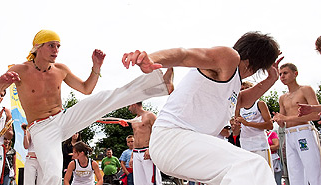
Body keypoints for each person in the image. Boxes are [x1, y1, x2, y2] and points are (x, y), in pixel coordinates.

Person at [0, 30, 172, 185]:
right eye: (51, 45)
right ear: (38, 47)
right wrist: (1, 81)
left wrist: (96, 67)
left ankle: (159, 85)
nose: (56, 50)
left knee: (104, 98)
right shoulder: (20, 69)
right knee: (52, 174)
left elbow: (86, 89)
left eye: (58, 46)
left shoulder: (60, 69)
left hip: (64, 118)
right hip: (41, 129)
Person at [122, 31, 282, 184]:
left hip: (184, 147)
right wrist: (152, 59)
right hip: (173, 138)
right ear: (255, 63)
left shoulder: (233, 84)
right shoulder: (229, 58)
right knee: (253, 166)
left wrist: (272, 79)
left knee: (239, 175)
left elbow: (243, 100)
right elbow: (184, 55)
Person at [272, 63, 321, 184]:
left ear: (295, 74)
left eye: (285, 73)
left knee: (313, 169)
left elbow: (316, 114)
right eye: (280, 74)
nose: (282, 76)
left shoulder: (305, 89)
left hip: (304, 132)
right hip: (289, 135)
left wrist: (286, 119)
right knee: (294, 172)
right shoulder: (282, 97)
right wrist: (279, 120)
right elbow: (283, 122)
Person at [235, 81, 273, 167]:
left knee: (265, 174)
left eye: (246, 89)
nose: (244, 92)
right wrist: (235, 125)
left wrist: (248, 123)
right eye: (241, 90)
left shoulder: (260, 104)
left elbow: (270, 125)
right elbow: (236, 132)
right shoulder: (238, 108)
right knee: (250, 175)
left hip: (260, 145)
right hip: (245, 146)